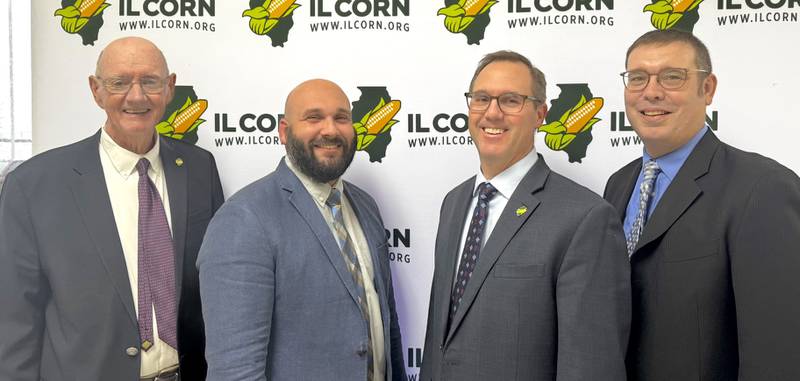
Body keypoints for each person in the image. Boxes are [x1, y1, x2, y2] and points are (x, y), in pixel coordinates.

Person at [0, 36, 224, 380]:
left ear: (169, 88)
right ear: (96, 90)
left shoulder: (198, 168)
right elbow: (14, 317)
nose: (136, 97)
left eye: (150, 81)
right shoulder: (34, 184)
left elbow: (215, 284)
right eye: (119, 83)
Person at [420, 50, 630, 381]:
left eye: (511, 101)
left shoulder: (585, 218)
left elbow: (589, 364)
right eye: (482, 99)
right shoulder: (455, 203)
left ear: (540, 114)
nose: (492, 113)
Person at [604, 29, 800, 380]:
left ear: (707, 89)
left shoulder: (762, 188)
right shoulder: (618, 184)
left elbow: (778, 352)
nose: (651, 91)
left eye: (672, 77)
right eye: (637, 78)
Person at [197, 79, 406, 381]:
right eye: (313, 117)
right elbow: (235, 371)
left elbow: (387, 326)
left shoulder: (365, 205)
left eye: (341, 118)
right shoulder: (244, 219)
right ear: (284, 131)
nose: (330, 130)